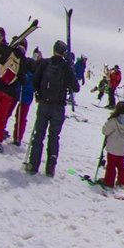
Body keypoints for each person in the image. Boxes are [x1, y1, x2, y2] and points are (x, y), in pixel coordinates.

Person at [23, 41, 79, 176]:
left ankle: (33, 164)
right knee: (54, 137)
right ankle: (50, 167)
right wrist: (70, 68)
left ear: (54, 50)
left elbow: (35, 81)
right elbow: (76, 87)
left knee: (39, 134)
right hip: (58, 107)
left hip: (44, 104)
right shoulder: (66, 67)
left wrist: (39, 94)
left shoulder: (45, 63)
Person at [101, 102, 124, 188]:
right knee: (121, 165)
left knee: (111, 165)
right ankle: (122, 181)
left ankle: (109, 181)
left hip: (113, 148)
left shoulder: (113, 121)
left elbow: (105, 131)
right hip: (122, 149)